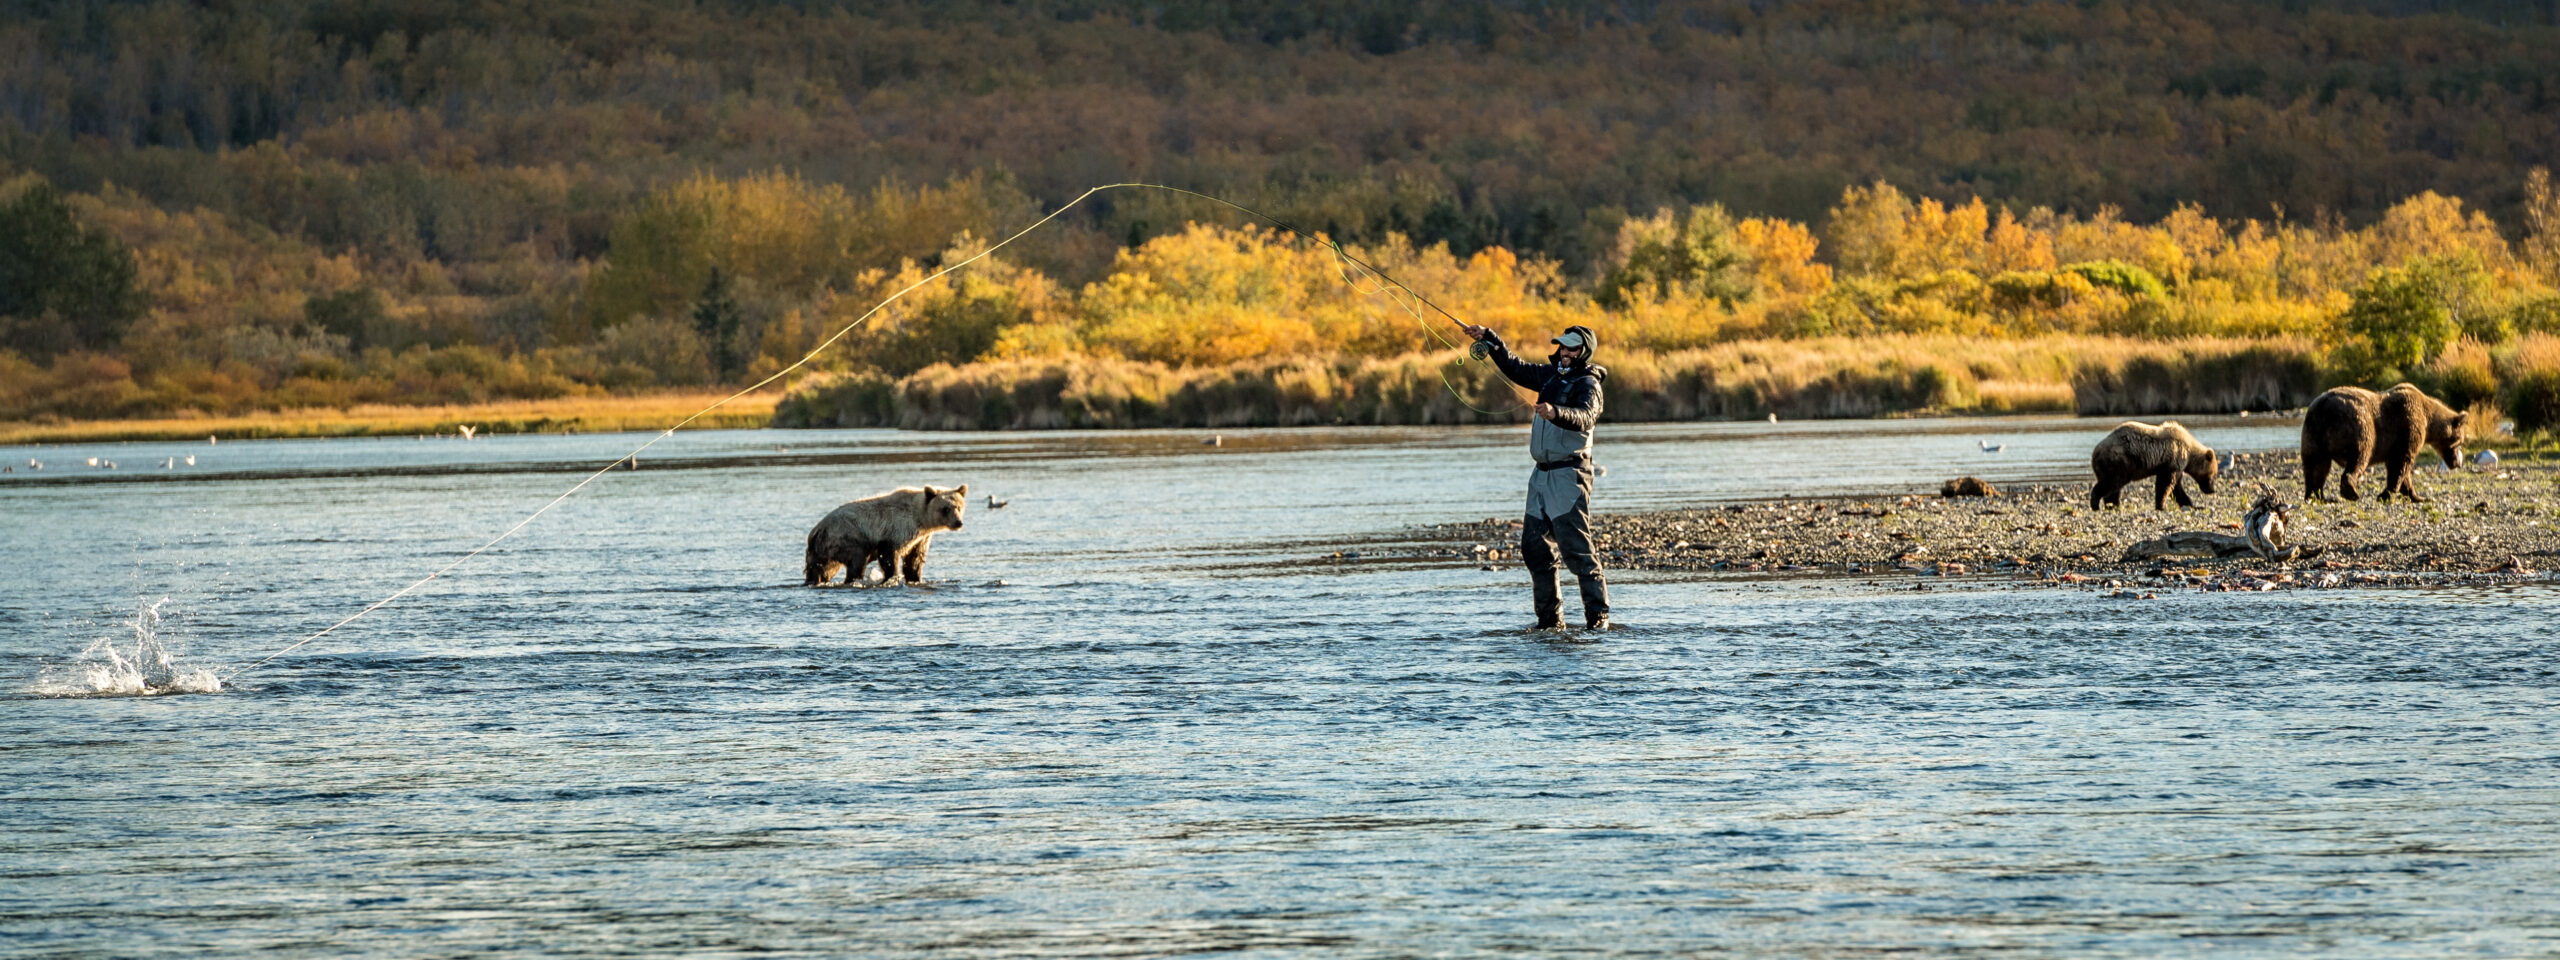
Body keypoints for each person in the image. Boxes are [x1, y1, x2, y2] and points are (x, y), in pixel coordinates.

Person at [1457, 321, 1611, 630]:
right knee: (1534, 549)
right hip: (1540, 477)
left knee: (1578, 552)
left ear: (1584, 352)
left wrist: (1556, 412)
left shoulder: (1589, 384)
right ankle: (1550, 623)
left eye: (1571, 348)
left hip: (1569, 476)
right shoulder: (1550, 375)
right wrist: (1488, 338)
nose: (1564, 352)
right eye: (1562, 346)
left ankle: (1598, 621)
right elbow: (1515, 368)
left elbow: (1586, 417)